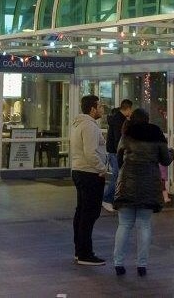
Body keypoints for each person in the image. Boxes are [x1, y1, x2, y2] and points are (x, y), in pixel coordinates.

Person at [112, 108, 173, 276]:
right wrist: (172, 153)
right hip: (149, 183)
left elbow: (118, 158)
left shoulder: (127, 133)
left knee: (124, 225)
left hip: (127, 182)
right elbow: (165, 160)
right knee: (144, 225)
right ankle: (142, 265)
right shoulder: (156, 133)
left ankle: (118, 263)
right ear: (147, 119)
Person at [70, 94, 108, 265]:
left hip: (80, 171)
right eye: (100, 106)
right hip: (89, 173)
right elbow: (91, 152)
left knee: (82, 212)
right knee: (89, 214)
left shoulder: (79, 124)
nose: (102, 109)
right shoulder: (90, 127)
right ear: (92, 109)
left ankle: (80, 250)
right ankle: (85, 253)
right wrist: (102, 169)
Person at [103, 98, 133, 213]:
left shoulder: (117, 119)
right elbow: (118, 139)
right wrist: (122, 151)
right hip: (116, 153)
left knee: (118, 176)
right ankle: (106, 199)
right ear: (128, 108)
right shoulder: (119, 121)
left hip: (113, 152)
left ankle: (114, 199)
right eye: (131, 109)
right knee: (117, 177)